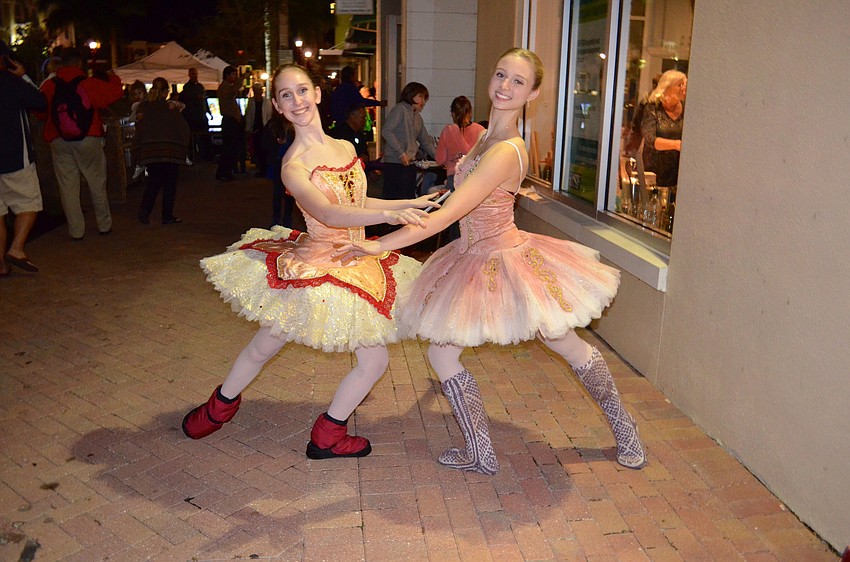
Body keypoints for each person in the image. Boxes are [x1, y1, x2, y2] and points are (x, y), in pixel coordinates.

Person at [336, 48, 647, 474]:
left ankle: (625, 428)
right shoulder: (483, 136)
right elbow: (456, 199)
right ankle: (480, 452)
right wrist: (418, 203)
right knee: (443, 357)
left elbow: (449, 216)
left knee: (565, 343)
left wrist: (379, 244)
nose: (505, 86)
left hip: (505, 260)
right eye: (501, 75)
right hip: (470, 255)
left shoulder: (507, 150)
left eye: (518, 81)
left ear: (532, 92)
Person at [182, 64, 441, 460]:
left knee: (372, 360)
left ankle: (327, 434)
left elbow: (357, 203)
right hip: (318, 263)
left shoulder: (346, 147)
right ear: (277, 106)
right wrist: (391, 217)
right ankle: (219, 408)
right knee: (264, 345)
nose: (297, 100)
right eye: (286, 95)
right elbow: (331, 214)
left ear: (317, 93)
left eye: (302, 90)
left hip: (355, 260)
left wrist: (407, 204)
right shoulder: (294, 165)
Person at [36, 46, 123, 240]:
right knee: (96, 182)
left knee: (68, 186)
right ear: (79, 63)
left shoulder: (50, 86)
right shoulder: (88, 84)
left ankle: (76, 231)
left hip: (58, 139)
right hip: (89, 137)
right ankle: (104, 225)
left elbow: (39, 110)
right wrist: (113, 76)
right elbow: (115, 93)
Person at [0, 42, 47, 275]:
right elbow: (41, 103)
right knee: (29, 204)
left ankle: (1, 265)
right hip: (15, 157)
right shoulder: (11, 83)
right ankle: (16, 249)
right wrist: (24, 76)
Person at [132, 77, 191, 225]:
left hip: (150, 150)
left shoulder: (143, 107)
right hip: (170, 150)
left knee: (154, 181)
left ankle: (145, 210)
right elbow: (183, 128)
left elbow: (139, 128)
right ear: (165, 91)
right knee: (170, 184)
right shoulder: (170, 107)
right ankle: (167, 215)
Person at [640, 70, 686, 230]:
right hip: (656, 172)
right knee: (655, 214)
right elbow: (650, 139)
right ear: (668, 87)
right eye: (680, 84)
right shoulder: (653, 108)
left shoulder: (687, 109)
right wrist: (676, 145)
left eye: (685, 84)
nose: (684, 88)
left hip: (678, 173)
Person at [381, 82, 437, 200]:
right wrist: (401, 153)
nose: (423, 101)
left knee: (408, 199)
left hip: (409, 163)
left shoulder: (417, 116)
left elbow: (425, 140)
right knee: (395, 199)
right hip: (395, 163)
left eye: (424, 98)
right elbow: (386, 131)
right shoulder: (400, 109)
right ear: (411, 95)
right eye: (420, 96)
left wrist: (440, 157)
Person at [215, 66, 243, 182]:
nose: (234, 77)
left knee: (231, 148)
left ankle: (226, 171)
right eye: (232, 75)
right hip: (229, 121)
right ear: (227, 75)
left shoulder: (227, 87)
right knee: (228, 148)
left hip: (232, 121)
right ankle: (223, 172)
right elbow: (231, 92)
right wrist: (240, 80)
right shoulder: (224, 87)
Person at [179, 67, 211, 162]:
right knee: (192, 138)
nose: (195, 76)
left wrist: (208, 111)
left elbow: (204, 100)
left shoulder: (200, 87)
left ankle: (205, 156)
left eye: (195, 74)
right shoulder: (187, 88)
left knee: (204, 137)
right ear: (189, 75)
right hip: (192, 117)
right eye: (193, 74)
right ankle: (193, 156)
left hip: (200, 116)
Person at [244, 82, 274, 177]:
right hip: (256, 128)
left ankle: (264, 169)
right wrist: (248, 128)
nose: (258, 92)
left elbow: (269, 115)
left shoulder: (267, 102)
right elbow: (249, 116)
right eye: (256, 90)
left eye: (260, 90)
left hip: (264, 128)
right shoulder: (251, 102)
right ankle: (261, 168)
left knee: (264, 149)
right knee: (257, 148)